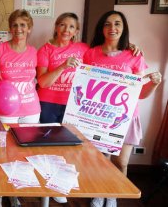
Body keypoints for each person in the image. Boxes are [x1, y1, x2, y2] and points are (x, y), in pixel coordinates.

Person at [84, 10, 161, 207]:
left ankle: (112, 195)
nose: (112, 28)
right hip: (98, 117)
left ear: (123, 28)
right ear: (101, 29)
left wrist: (153, 83)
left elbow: (140, 94)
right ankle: (98, 193)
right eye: (107, 24)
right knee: (100, 161)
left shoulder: (133, 56)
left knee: (121, 163)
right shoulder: (90, 53)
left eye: (117, 24)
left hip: (125, 118)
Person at [37, 13, 89, 124]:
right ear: (56, 27)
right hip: (48, 103)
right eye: (62, 25)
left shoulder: (83, 48)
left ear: (76, 31)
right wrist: (62, 66)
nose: (66, 30)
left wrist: (127, 46)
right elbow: (42, 83)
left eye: (71, 27)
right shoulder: (45, 50)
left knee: (70, 139)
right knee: (47, 139)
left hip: (74, 103)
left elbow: (103, 54)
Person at [0, 9, 40, 124]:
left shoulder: (34, 52)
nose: (18, 29)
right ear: (10, 28)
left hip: (31, 109)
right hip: (6, 109)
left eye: (23, 25)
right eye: (15, 25)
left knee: (28, 141)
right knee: (7, 142)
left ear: (29, 29)